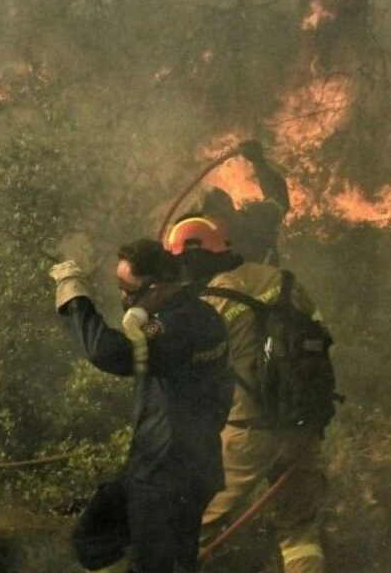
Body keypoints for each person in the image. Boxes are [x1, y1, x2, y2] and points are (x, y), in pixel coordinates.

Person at [49, 238, 233, 573]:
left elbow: (107, 352)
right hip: (152, 466)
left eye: (127, 289)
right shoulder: (185, 314)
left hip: (173, 475)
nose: (122, 297)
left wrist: (75, 298)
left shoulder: (185, 325)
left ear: (157, 287)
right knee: (90, 541)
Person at [163, 216, 329, 573]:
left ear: (191, 258)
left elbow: (183, 368)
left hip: (246, 432)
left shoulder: (208, 303)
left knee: (190, 524)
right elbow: (322, 336)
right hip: (302, 425)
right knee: (299, 530)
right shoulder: (284, 281)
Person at [194, 140, 290, 266]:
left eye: (214, 217)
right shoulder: (204, 252)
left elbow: (278, 198)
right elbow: (279, 198)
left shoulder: (256, 219)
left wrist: (259, 163)